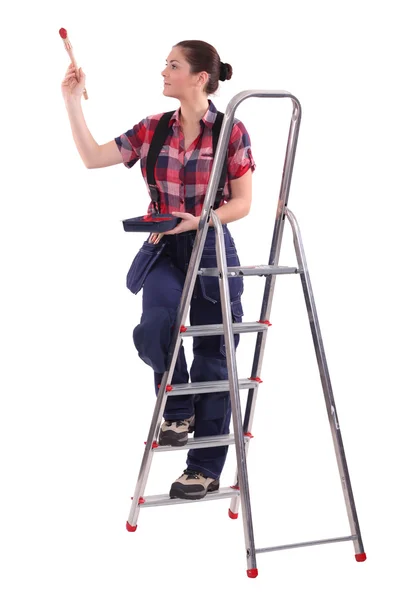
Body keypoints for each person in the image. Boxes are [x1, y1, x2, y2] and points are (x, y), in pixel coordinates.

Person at [62, 39, 256, 501]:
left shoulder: (231, 131)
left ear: (200, 77)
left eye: (173, 65)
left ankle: (203, 468)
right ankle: (179, 407)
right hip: (165, 247)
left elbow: (244, 203)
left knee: (214, 354)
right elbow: (92, 157)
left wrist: (203, 218)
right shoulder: (153, 129)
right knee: (155, 327)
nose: (163, 71)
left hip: (210, 245)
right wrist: (72, 100)